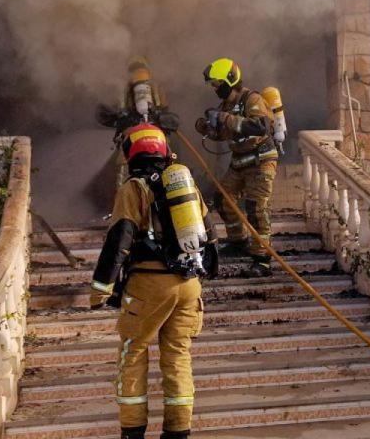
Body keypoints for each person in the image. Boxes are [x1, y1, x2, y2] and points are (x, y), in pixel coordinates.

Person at [88, 123, 216, 439]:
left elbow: (120, 238)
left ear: (131, 153)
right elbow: (209, 234)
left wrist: (101, 288)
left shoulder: (134, 188)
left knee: (133, 353)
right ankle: (178, 431)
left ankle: (133, 432)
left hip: (149, 285)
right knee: (178, 357)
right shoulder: (185, 185)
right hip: (188, 285)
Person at [195, 57, 277, 278]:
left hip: (260, 161)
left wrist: (226, 118)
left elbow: (260, 127)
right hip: (239, 162)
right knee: (223, 199)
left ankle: (262, 260)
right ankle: (238, 241)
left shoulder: (252, 99)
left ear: (229, 81)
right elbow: (223, 134)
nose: (214, 88)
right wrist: (205, 127)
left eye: (217, 84)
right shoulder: (226, 106)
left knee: (256, 209)